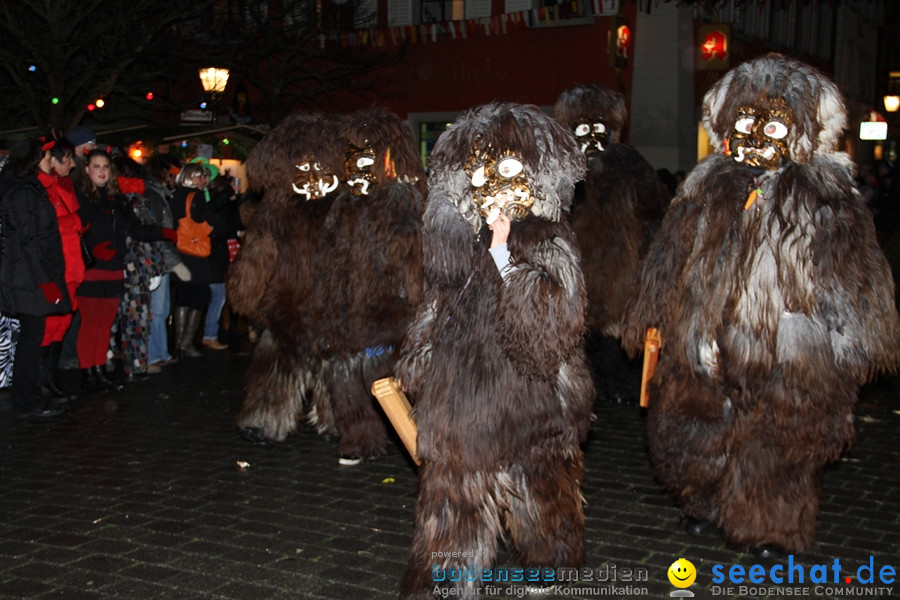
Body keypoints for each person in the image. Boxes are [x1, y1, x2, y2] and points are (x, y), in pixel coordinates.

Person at [621, 54, 900, 557]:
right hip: (706, 331)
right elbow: (670, 255)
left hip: (790, 342)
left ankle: (769, 526)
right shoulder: (706, 184)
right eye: (746, 121)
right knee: (701, 428)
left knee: (779, 442)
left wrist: (848, 339)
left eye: (771, 123)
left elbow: (853, 274)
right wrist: (656, 316)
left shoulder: (825, 195)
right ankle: (705, 502)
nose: (755, 135)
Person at [395, 103, 594, 598]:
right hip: (459, 392)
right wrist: (417, 362)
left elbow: (550, 325)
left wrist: (506, 254)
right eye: (479, 174)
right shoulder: (455, 242)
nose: (491, 186)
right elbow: (437, 302)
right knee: (453, 489)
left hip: (529, 395)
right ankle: (448, 583)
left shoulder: (550, 240)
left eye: (504, 170)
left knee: (538, 482)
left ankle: (550, 562)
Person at [75, 149, 177, 391]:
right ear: (87, 170)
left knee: (105, 322)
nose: (101, 171)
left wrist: (163, 232)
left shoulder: (116, 200)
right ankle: (88, 373)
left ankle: (99, 370)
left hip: (113, 269)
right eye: (96, 166)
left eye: (105, 167)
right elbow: (75, 231)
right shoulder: (81, 198)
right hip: (91, 269)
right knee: (91, 324)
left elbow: (135, 229)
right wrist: (94, 247)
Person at [0, 137, 73, 418]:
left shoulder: (25, 188)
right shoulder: (23, 192)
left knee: (31, 339)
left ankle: (30, 397)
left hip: (28, 275)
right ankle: (26, 401)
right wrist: (46, 281)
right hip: (28, 278)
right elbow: (28, 240)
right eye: (44, 155)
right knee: (31, 340)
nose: (49, 160)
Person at [36, 136, 84, 404]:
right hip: (59, 269)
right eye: (66, 159)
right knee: (50, 326)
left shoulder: (64, 187)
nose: (72, 164)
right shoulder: (42, 189)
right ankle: (41, 384)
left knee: (62, 324)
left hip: (72, 268)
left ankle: (49, 381)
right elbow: (49, 227)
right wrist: (75, 221)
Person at [143, 155, 189, 367]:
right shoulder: (153, 195)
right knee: (157, 310)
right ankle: (153, 354)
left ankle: (160, 352)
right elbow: (160, 232)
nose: (173, 178)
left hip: (161, 259)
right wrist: (174, 263)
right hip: (156, 259)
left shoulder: (160, 194)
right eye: (170, 174)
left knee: (162, 309)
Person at [170, 162, 215, 358]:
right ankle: (186, 343)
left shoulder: (176, 195)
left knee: (183, 297)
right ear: (190, 177)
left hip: (180, 252)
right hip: (196, 254)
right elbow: (211, 220)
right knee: (197, 297)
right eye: (199, 176)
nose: (204, 181)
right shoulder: (195, 197)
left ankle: (179, 342)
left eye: (205, 176)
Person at [200, 171, 236, 351]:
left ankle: (209, 333)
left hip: (213, 256)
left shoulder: (210, 204)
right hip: (213, 257)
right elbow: (224, 227)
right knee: (218, 296)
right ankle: (210, 334)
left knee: (215, 297)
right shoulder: (207, 205)